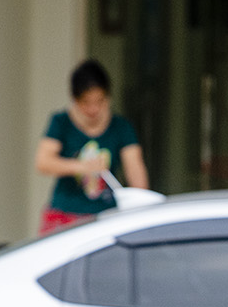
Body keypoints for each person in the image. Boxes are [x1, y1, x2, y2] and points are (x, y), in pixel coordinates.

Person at [34, 58, 150, 235]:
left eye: (100, 101)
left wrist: (140, 203)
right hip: (65, 214)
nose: (93, 109)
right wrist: (82, 166)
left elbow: (135, 171)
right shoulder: (61, 122)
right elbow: (43, 162)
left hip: (106, 215)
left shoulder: (121, 127)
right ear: (75, 99)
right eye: (86, 103)